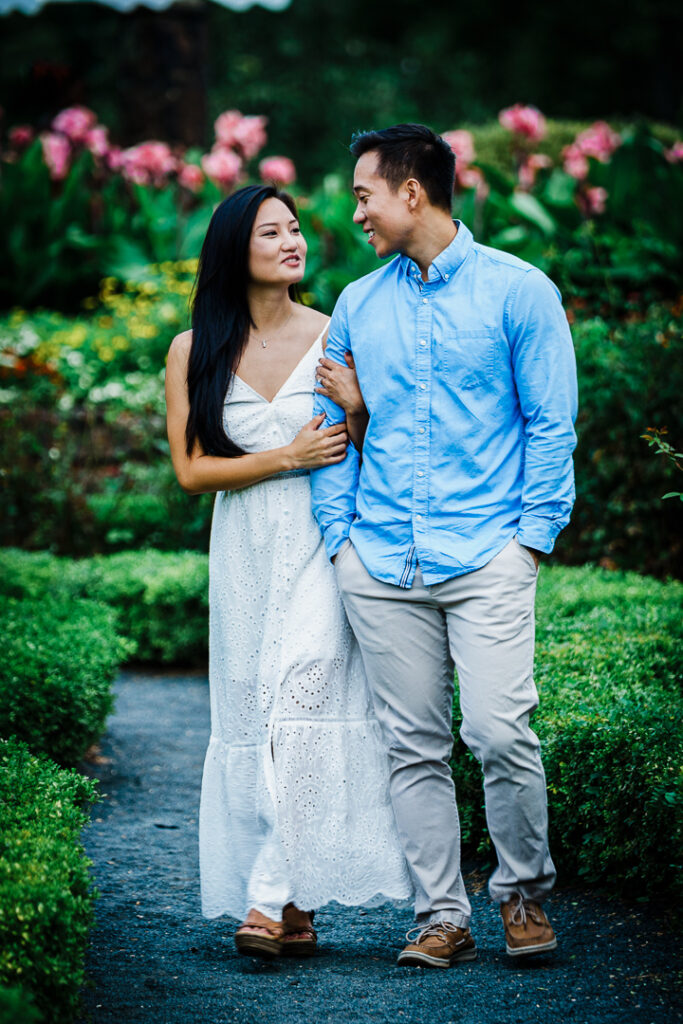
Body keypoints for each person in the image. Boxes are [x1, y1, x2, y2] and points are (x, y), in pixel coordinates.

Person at [311, 124, 578, 968]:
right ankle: (441, 915)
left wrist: (529, 541)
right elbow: (329, 430)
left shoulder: (520, 291)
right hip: (382, 560)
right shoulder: (357, 302)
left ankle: (523, 895)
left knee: (501, 733)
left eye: (363, 194)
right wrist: (339, 542)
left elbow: (550, 424)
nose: (355, 212)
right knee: (412, 746)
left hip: (486, 555)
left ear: (411, 193)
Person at [165, 184, 412, 960]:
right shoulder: (191, 348)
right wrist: (283, 457)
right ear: (234, 247)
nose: (292, 241)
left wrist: (361, 411)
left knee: (297, 705)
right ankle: (293, 902)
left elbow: (382, 443)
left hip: (321, 541)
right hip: (241, 546)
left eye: (296, 229)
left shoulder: (337, 331)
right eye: (271, 231)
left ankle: (267, 900)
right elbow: (192, 470)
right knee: (251, 714)